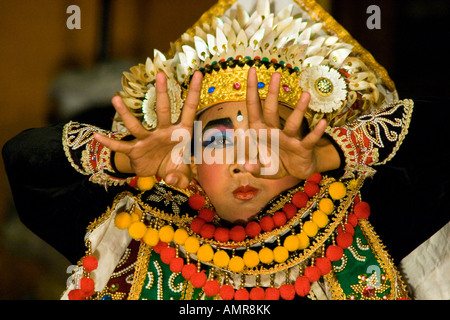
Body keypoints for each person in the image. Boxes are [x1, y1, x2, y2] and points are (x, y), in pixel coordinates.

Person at [3, 0, 446, 300]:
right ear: (191, 156)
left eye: (269, 139)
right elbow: (25, 160)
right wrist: (124, 160)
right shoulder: (134, 229)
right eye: (216, 139)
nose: (245, 161)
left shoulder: (365, 215)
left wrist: (329, 156)